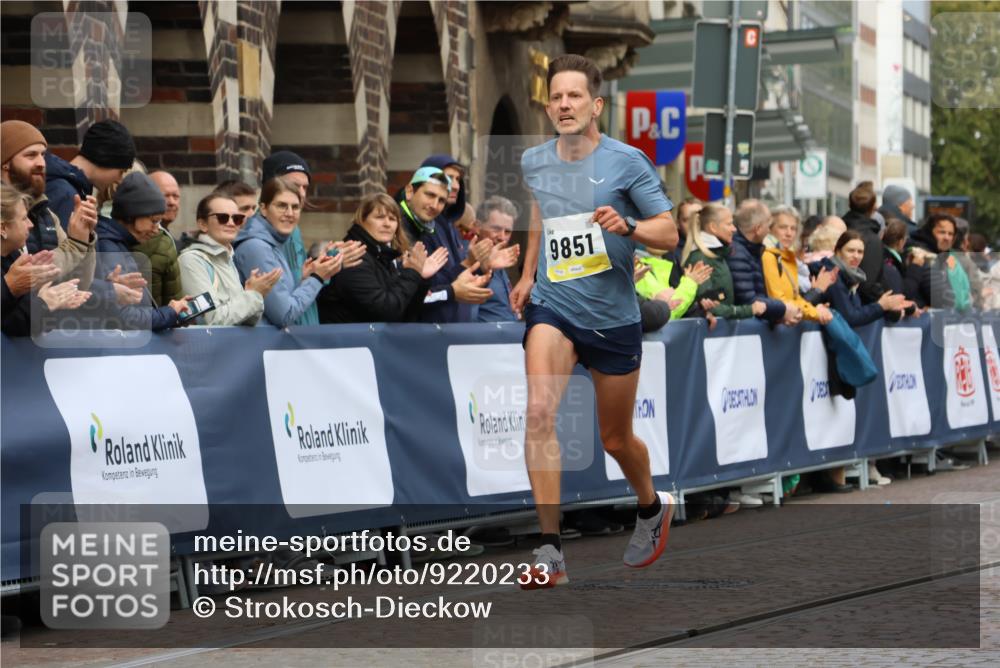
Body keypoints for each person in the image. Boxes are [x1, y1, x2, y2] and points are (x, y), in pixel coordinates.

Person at [508, 54, 679, 589]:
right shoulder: (535, 160)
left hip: (612, 316)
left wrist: (628, 226)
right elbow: (542, 210)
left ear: (595, 104)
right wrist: (527, 272)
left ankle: (650, 506)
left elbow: (670, 235)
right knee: (539, 411)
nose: (564, 104)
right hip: (554, 305)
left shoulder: (628, 162)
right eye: (556, 97)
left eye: (574, 96)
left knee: (615, 438)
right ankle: (550, 551)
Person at [233, 175, 364, 327]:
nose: (289, 213)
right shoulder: (256, 247)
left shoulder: (273, 241)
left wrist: (304, 278)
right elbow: (285, 315)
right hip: (262, 347)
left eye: (295, 207)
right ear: (263, 208)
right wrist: (317, 278)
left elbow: (283, 300)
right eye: (282, 205)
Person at [317, 193, 447, 323]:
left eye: (392, 219)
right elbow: (385, 312)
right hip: (347, 341)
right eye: (379, 217)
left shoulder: (384, 257)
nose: (387, 224)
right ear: (362, 220)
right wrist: (412, 273)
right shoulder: (354, 256)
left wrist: (420, 278)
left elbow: (406, 315)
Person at [0, 120, 98, 287]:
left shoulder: (45, 213)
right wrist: (75, 246)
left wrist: (84, 236)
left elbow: (79, 283)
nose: (41, 163)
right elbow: (22, 282)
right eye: (31, 155)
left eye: (42, 154)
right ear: (5, 163)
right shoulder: (4, 211)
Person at [395, 166, 496, 322]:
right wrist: (452, 291)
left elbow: (439, 282)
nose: (434, 205)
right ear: (410, 191)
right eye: (429, 195)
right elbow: (400, 300)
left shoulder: (427, 227)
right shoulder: (394, 227)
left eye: (441, 200)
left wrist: (472, 267)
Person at [94, 172, 192, 331]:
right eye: (153, 221)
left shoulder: (117, 243)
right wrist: (169, 313)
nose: (156, 230)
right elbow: (126, 317)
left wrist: (170, 312)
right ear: (132, 214)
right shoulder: (109, 247)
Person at [178, 193, 281, 326]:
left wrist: (254, 294)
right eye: (223, 218)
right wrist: (253, 295)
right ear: (203, 224)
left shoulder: (228, 258)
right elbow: (211, 320)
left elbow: (243, 321)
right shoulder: (191, 261)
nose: (231, 223)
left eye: (237, 218)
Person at [2, 183, 89, 336]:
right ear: (3, 228)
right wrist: (43, 303)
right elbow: (9, 328)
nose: (30, 224)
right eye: (23, 219)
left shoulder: (14, 257)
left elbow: (20, 322)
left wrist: (48, 299)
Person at [682, 203, 768, 321]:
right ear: (713, 227)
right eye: (729, 224)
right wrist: (749, 310)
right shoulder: (701, 259)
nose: (734, 229)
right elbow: (711, 307)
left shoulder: (718, 254)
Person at [45, 119, 136, 231]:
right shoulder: (65, 193)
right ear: (107, 159)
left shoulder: (71, 188)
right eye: (121, 171)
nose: (119, 180)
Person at [262, 151, 315, 323]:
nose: (301, 194)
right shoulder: (258, 238)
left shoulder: (294, 229)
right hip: (281, 340)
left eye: (305, 187)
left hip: (303, 331)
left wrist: (325, 264)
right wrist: (318, 277)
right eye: (293, 185)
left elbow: (295, 283)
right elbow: (282, 309)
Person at [762, 205, 834, 324]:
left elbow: (795, 298)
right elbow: (779, 300)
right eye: (783, 227)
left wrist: (814, 311)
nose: (789, 233)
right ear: (770, 229)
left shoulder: (788, 257)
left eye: (793, 228)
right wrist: (815, 312)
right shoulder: (768, 256)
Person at [729, 199, 796, 325]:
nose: (769, 230)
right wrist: (783, 308)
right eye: (769, 226)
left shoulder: (752, 250)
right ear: (758, 229)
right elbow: (750, 301)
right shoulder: (738, 254)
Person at [826, 230, 909, 327]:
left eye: (860, 252)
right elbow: (851, 317)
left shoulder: (853, 277)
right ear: (838, 251)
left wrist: (886, 307)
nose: (856, 256)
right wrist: (881, 306)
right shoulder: (831, 274)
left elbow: (857, 311)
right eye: (850, 250)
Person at [134, 170, 183, 306]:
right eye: (165, 196)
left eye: (176, 196)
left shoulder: (171, 240)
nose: (172, 202)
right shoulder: (138, 238)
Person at [907, 213, 971, 312]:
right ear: (929, 233)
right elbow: (941, 299)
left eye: (950, 234)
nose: (947, 238)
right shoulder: (921, 254)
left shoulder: (946, 257)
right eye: (941, 232)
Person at [474, 196, 521, 322]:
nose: (502, 237)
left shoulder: (501, 265)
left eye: (508, 232)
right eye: (496, 229)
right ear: (477, 227)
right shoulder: (466, 261)